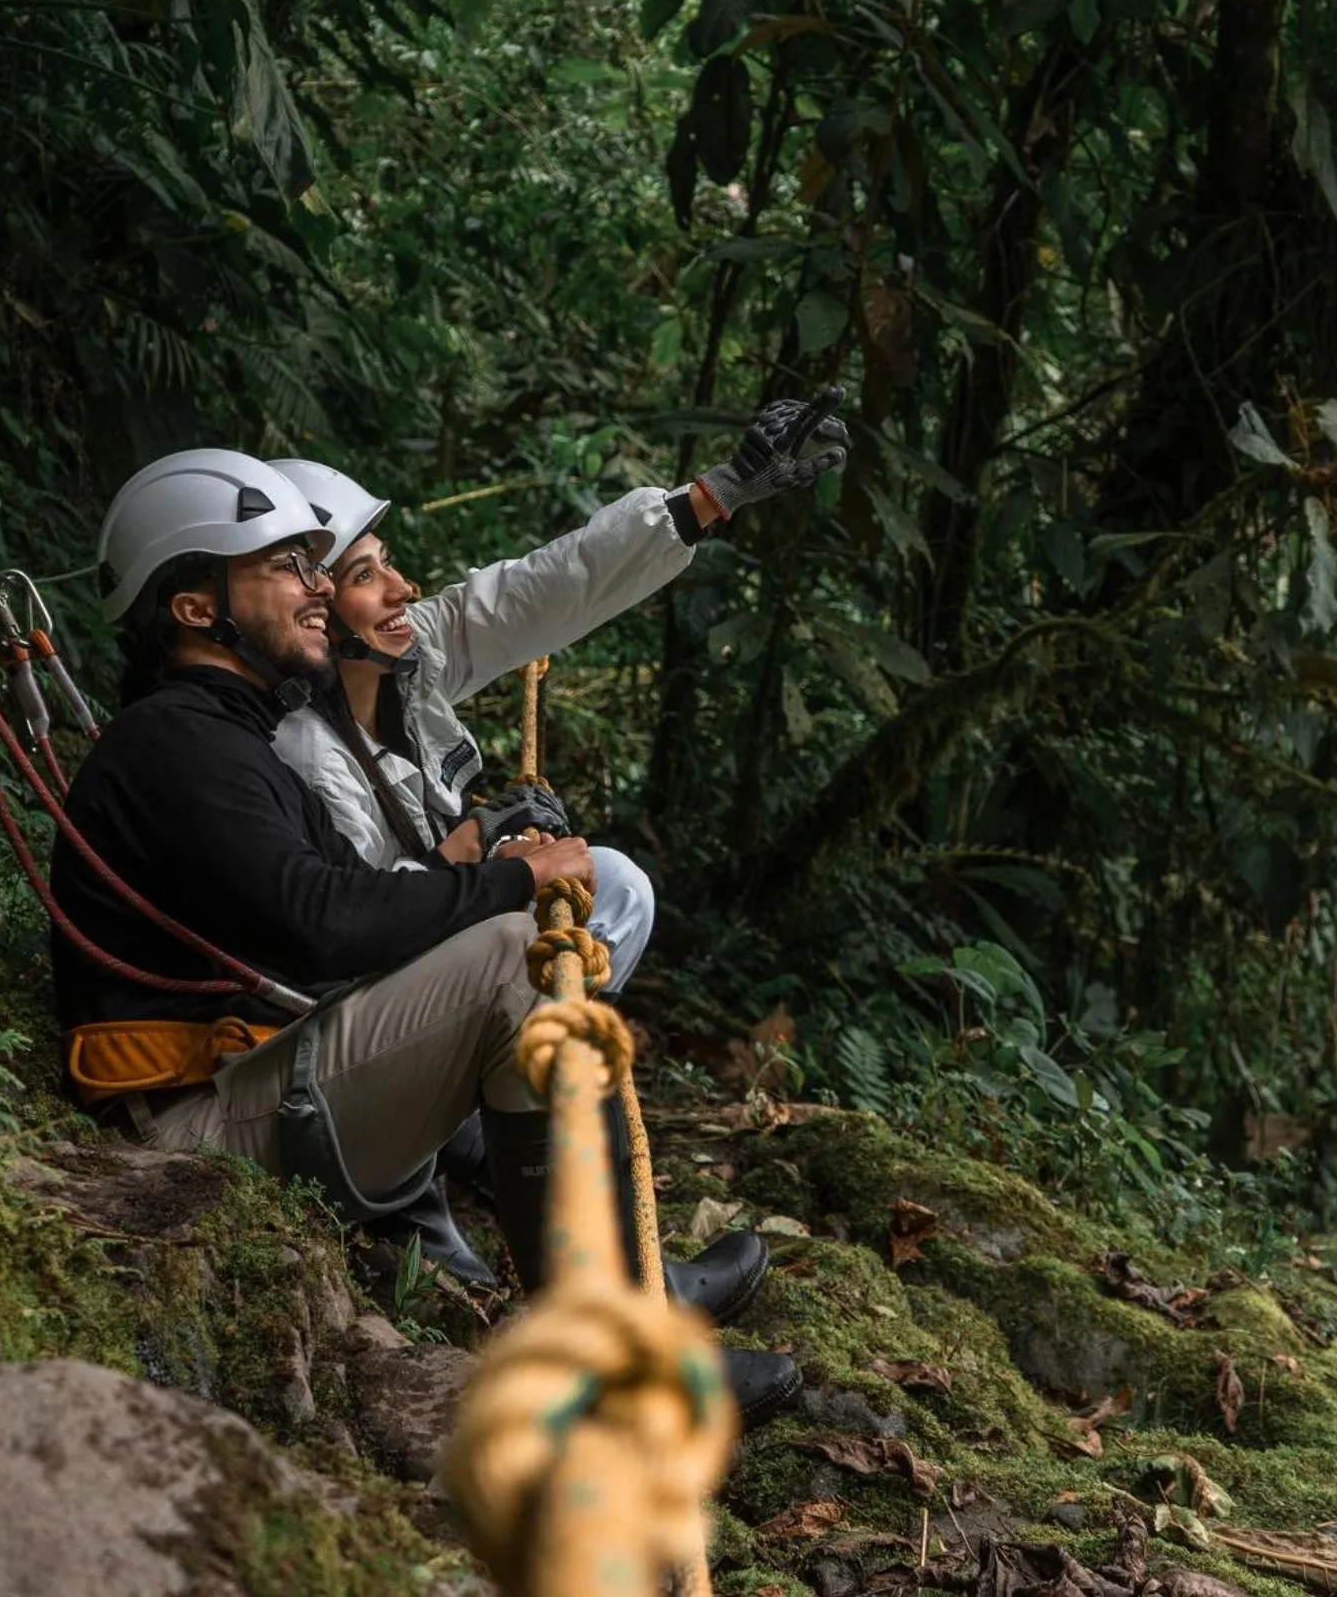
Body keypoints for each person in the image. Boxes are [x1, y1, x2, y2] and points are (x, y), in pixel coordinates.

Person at [48, 447, 805, 1427]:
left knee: (520, 938)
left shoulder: (225, 737)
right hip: (195, 1127)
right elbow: (324, 924)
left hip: (249, 1082)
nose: (318, 589)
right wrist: (507, 877)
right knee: (512, 956)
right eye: (286, 566)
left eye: (321, 566)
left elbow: (339, 900)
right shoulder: (184, 743)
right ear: (196, 608)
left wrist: (479, 860)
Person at [267, 390, 850, 1001]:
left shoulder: (409, 657)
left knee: (616, 884)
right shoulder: (307, 751)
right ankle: (520, 1049)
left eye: (388, 563)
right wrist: (480, 846)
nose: (402, 588)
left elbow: (548, 587)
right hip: (371, 998)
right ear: (313, 609)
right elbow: (363, 927)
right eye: (365, 577)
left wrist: (719, 492)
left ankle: (546, 1046)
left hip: (442, 921)